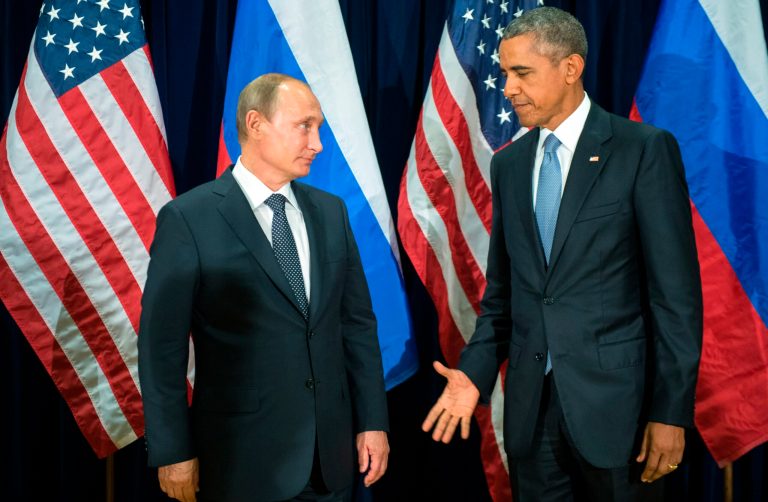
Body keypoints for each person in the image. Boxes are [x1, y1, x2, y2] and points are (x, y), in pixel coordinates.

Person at [422, 7, 702, 501]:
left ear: (570, 68)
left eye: (521, 73)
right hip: (534, 418)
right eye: (505, 72)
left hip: (621, 418)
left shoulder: (641, 150)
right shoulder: (509, 165)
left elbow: (675, 300)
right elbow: (503, 299)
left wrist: (670, 413)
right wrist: (474, 374)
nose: (507, 88)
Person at [138, 73, 389, 502]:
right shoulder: (189, 219)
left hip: (331, 463)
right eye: (304, 126)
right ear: (255, 124)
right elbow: (161, 348)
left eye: (319, 129)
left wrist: (373, 421)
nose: (318, 144)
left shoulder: (331, 213)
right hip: (241, 463)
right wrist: (172, 449)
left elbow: (357, 327)